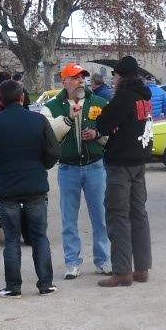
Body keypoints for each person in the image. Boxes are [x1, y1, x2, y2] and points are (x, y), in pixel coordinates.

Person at [0, 79, 61, 298]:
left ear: (0, 101)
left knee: (11, 238)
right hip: (35, 186)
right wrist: (41, 166)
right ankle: (45, 284)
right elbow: (53, 152)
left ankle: (13, 286)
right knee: (39, 236)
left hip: (7, 188)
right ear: (22, 98)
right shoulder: (38, 121)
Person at [40, 62, 112, 279]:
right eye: (75, 77)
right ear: (65, 81)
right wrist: (69, 119)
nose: (81, 81)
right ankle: (72, 262)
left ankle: (103, 259)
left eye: (83, 77)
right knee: (69, 218)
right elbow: (50, 136)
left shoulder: (99, 102)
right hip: (68, 168)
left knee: (100, 216)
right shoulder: (52, 107)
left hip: (95, 167)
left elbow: (112, 132)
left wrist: (98, 136)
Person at [94, 55, 153, 287]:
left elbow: (103, 124)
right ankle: (142, 268)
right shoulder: (144, 97)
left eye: (115, 75)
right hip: (140, 160)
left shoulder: (124, 97)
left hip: (121, 162)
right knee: (139, 214)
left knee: (118, 215)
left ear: (120, 76)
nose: (113, 79)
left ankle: (122, 271)